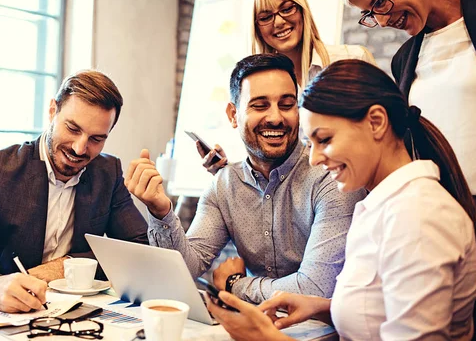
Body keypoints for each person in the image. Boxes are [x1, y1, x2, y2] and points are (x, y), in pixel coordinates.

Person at [206, 59, 476, 341]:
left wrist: (267, 337)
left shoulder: (418, 217)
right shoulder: (381, 207)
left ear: (376, 122)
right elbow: (380, 310)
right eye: (310, 144)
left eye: (324, 139)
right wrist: (325, 308)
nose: (314, 158)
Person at [126, 54, 365, 304]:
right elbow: (185, 269)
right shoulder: (224, 185)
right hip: (254, 325)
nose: (275, 118)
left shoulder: (332, 177)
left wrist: (235, 285)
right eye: (260, 106)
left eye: (286, 105)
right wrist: (160, 210)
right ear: (232, 114)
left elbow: (315, 288)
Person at [0, 70, 148, 313]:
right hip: (4, 319)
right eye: (73, 129)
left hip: (78, 318)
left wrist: (67, 265)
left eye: (96, 139)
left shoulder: (107, 172)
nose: (80, 149)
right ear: (52, 111)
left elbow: (141, 252)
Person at [334, 0, 476, 209]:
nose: (381, 20)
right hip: (444, 213)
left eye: (380, 1)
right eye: (370, 12)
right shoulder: (403, 60)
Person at [199, 0, 376, 173]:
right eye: (265, 17)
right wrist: (225, 172)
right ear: (256, 28)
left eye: (287, 8)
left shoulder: (352, 61)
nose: (280, 22)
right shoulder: (253, 85)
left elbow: (380, 138)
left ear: (302, 10)